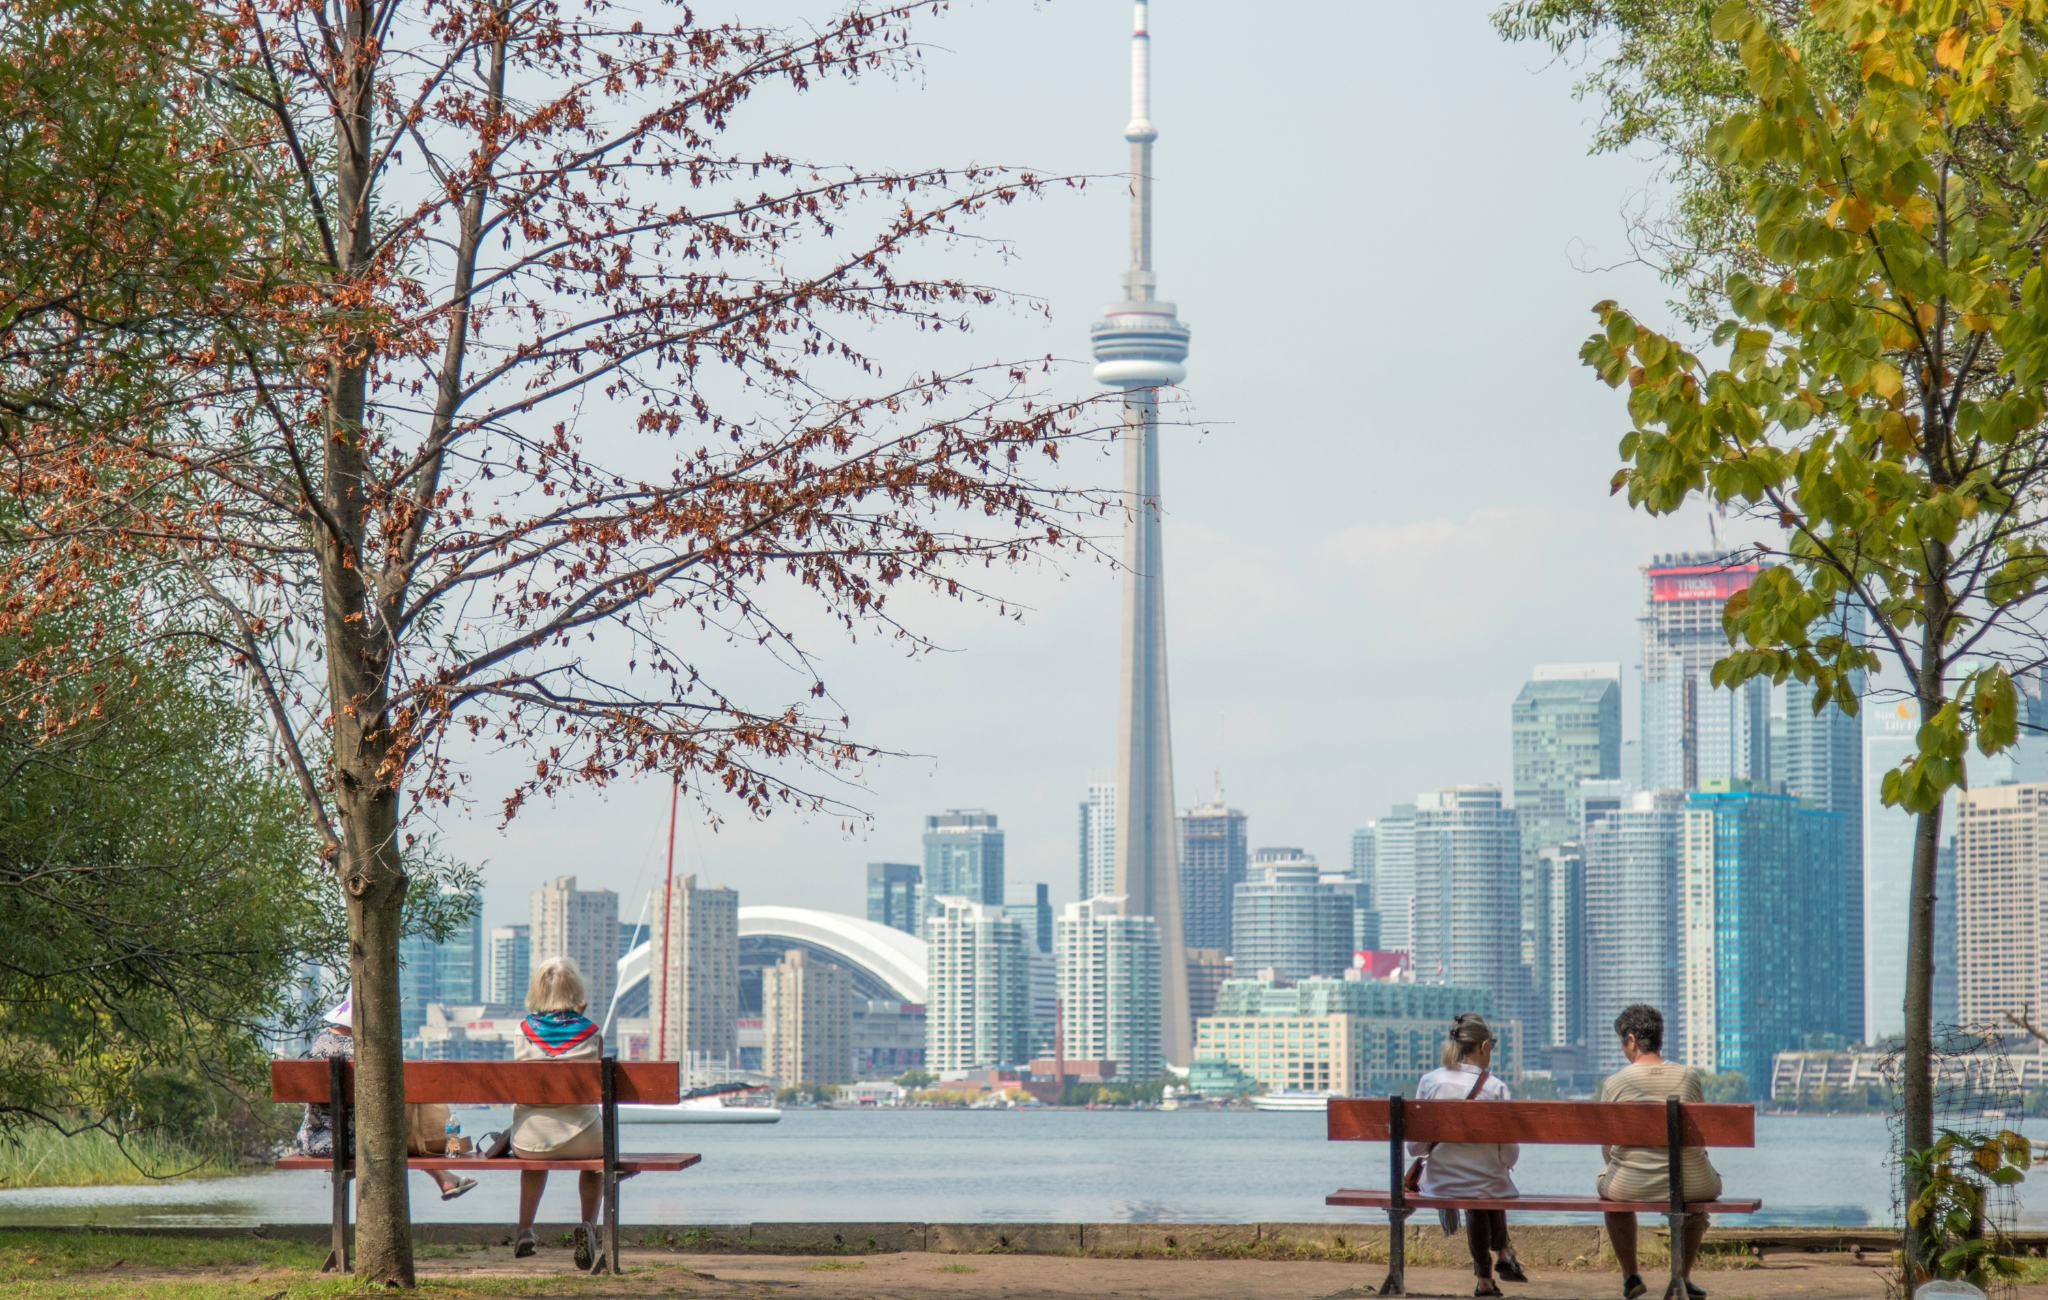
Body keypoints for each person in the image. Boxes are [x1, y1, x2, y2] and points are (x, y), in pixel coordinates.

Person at [294, 994, 476, 1201]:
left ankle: (445, 1178)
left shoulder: (319, 1042)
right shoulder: (369, 1052)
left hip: (313, 1139)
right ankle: (444, 1177)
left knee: (391, 1138)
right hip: (360, 1143)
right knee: (394, 1140)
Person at [486, 956, 605, 1267]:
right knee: (596, 1164)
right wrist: (578, 1016)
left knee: (534, 1154)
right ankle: (589, 1226)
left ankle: (525, 1228)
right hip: (585, 1138)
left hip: (529, 1139)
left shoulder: (521, 1031)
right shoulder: (591, 1032)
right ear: (576, 989)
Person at [1596, 1004, 1721, 1300]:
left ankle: (1631, 1276)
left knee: (1611, 1193)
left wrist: (1617, 1166)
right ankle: (1683, 1276)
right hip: (1691, 1182)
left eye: (1621, 1042)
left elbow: (1606, 1146)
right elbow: (1700, 1138)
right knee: (1694, 1190)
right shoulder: (1689, 1077)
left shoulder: (1615, 1083)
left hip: (1630, 1184)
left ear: (1631, 1039)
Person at [1412, 1012, 1527, 1297]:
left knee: (1481, 1188)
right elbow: (1509, 1158)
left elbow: (1415, 1148)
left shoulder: (1429, 1082)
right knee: (1487, 1184)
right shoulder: (1496, 1088)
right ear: (1484, 1046)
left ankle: (1488, 1276)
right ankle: (1500, 1255)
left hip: (1439, 1184)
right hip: (1490, 1185)